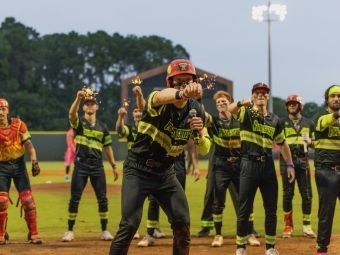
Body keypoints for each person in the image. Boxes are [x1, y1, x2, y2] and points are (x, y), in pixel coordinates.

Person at [109, 59, 211, 255]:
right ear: (169, 83)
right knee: (130, 224)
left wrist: (198, 134)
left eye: (187, 80)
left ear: (195, 82)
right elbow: (159, 97)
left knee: (183, 223)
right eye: (177, 81)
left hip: (165, 174)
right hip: (138, 169)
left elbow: (205, 149)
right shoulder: (159, 100)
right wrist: (182, 93)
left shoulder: (197, 110)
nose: (183, 84)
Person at [228, 82, 295, 255]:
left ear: (268, 97)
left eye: (263, 93)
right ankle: (241, 247)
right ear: (252, 96)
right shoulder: (246, 113)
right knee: (244, 209)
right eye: (257, 93)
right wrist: (241, 103)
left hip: (267, 167)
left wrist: (290, 164)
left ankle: (270, 248)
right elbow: (230, 109)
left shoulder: (275, 120)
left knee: (271, 209)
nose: (260, 95)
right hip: (248, 164)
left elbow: (282, 143)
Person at [204, 91, 260, 247]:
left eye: (224, 102)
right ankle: (218, 235)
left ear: (230, 103)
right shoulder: (213, 123)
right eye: (218, 103)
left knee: (245, 200)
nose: (221, 104)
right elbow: (202, 114)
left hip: (239, 165)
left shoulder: (239, 121)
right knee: (218, 202)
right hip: (221, 165)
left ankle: (249, 233)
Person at [62, 91, 119, 242]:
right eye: (87, 104)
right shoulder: (79, 122)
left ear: (97, 107)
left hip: (97, 166)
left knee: (102, 199)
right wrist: (77, 98)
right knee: (75, 198)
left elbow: (107, 148)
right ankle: (69, 230)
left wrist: (113, 165)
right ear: (84, 108)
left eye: (92, 104)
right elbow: (71, 114)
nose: (89, 106)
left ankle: (105, 230)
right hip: (81, 164)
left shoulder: (103, 127)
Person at [137, 139, 200, 247]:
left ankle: (178, 236)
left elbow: (191, 145)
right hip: (160, 161)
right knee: (153, 200)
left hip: (178, 161)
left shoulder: (185, 123)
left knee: (178, 202)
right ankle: (150, 234)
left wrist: (196, 166)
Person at [0, 98, 42, 244]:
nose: (0, 112)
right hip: (1, 167)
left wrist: (34, 162)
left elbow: (28, 145)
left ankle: (34, 232)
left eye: (3, 109)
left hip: (18, 165)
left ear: (8, 110)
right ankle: (1, 234)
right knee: (1, 201)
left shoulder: (18, 125)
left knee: (27, 199)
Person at [280, 94, 316, 238]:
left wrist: (310, 142)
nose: (292, 106)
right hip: (287, 162)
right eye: (290, 104)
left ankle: (307, 226)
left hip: (303, 160)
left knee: (307, 195)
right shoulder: (281, 123)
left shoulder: (309, 123)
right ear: (286, 107)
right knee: (287, 195)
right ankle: (288, 226)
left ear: (300, 106)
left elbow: (316, 145)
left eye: (295, 104)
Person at [116, 85, 146, 240]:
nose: (138, 113)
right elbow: (120, 131)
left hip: (149, 166)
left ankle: (153, 229)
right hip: (134, 168)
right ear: (132, 114)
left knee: (154, 200)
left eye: (139, 111)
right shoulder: (130, 129)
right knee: (133, 200)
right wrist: (120, 117)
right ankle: (134, 230)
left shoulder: (149, 127)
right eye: (135, 111)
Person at [314, 85, 340, 255]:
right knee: (326, 213)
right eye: (333, 96)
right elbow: (324, 122)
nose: (336, 99)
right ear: (327, 99)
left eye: (339, 96)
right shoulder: (321, 117)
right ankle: (322, 249)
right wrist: (337, 115)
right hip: (326, 172)